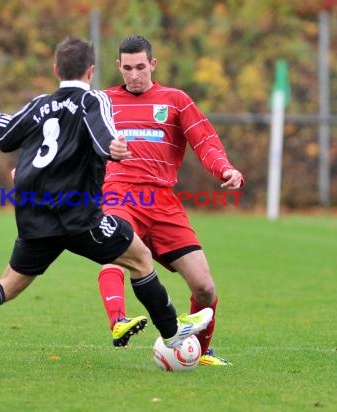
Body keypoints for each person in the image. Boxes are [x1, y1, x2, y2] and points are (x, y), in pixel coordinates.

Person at [0, 36, 213, 375]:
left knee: (7, 285)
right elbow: (100, 135)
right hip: (79, 216)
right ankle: (172, 334)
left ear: (55, 69)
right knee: (140, 259)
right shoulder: (94, 100)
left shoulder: (40, 104)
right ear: (91, 70)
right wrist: (113, 147)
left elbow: (4, 136)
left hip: (36, 216)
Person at [97, 35, 244, 366]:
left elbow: (204, 140)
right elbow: (67, 139)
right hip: (119, 192)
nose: (134, 75)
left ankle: (201, 351)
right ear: (118, 67)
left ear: (153, 64)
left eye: (140, 67)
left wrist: (225, 168)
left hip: (163, 202)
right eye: (127, 68)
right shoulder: (102, 102)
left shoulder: (175, 100)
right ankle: (118, 321)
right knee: (114, 249)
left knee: (205, 287)